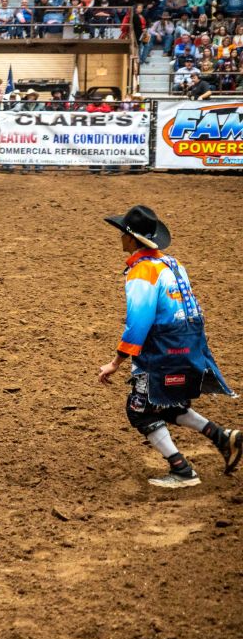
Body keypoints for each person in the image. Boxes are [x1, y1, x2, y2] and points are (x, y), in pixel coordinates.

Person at [98, 205, 239, 488]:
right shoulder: (174, 264)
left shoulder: (142, 272)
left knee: (140, 409)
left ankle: (182, 470)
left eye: (122, 234)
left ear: (131, 239)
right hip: (188, 343)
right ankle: (222, 437)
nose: (120, 239)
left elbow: (138, 322)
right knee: (165, 401)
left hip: (163, 350)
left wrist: (116, 362)